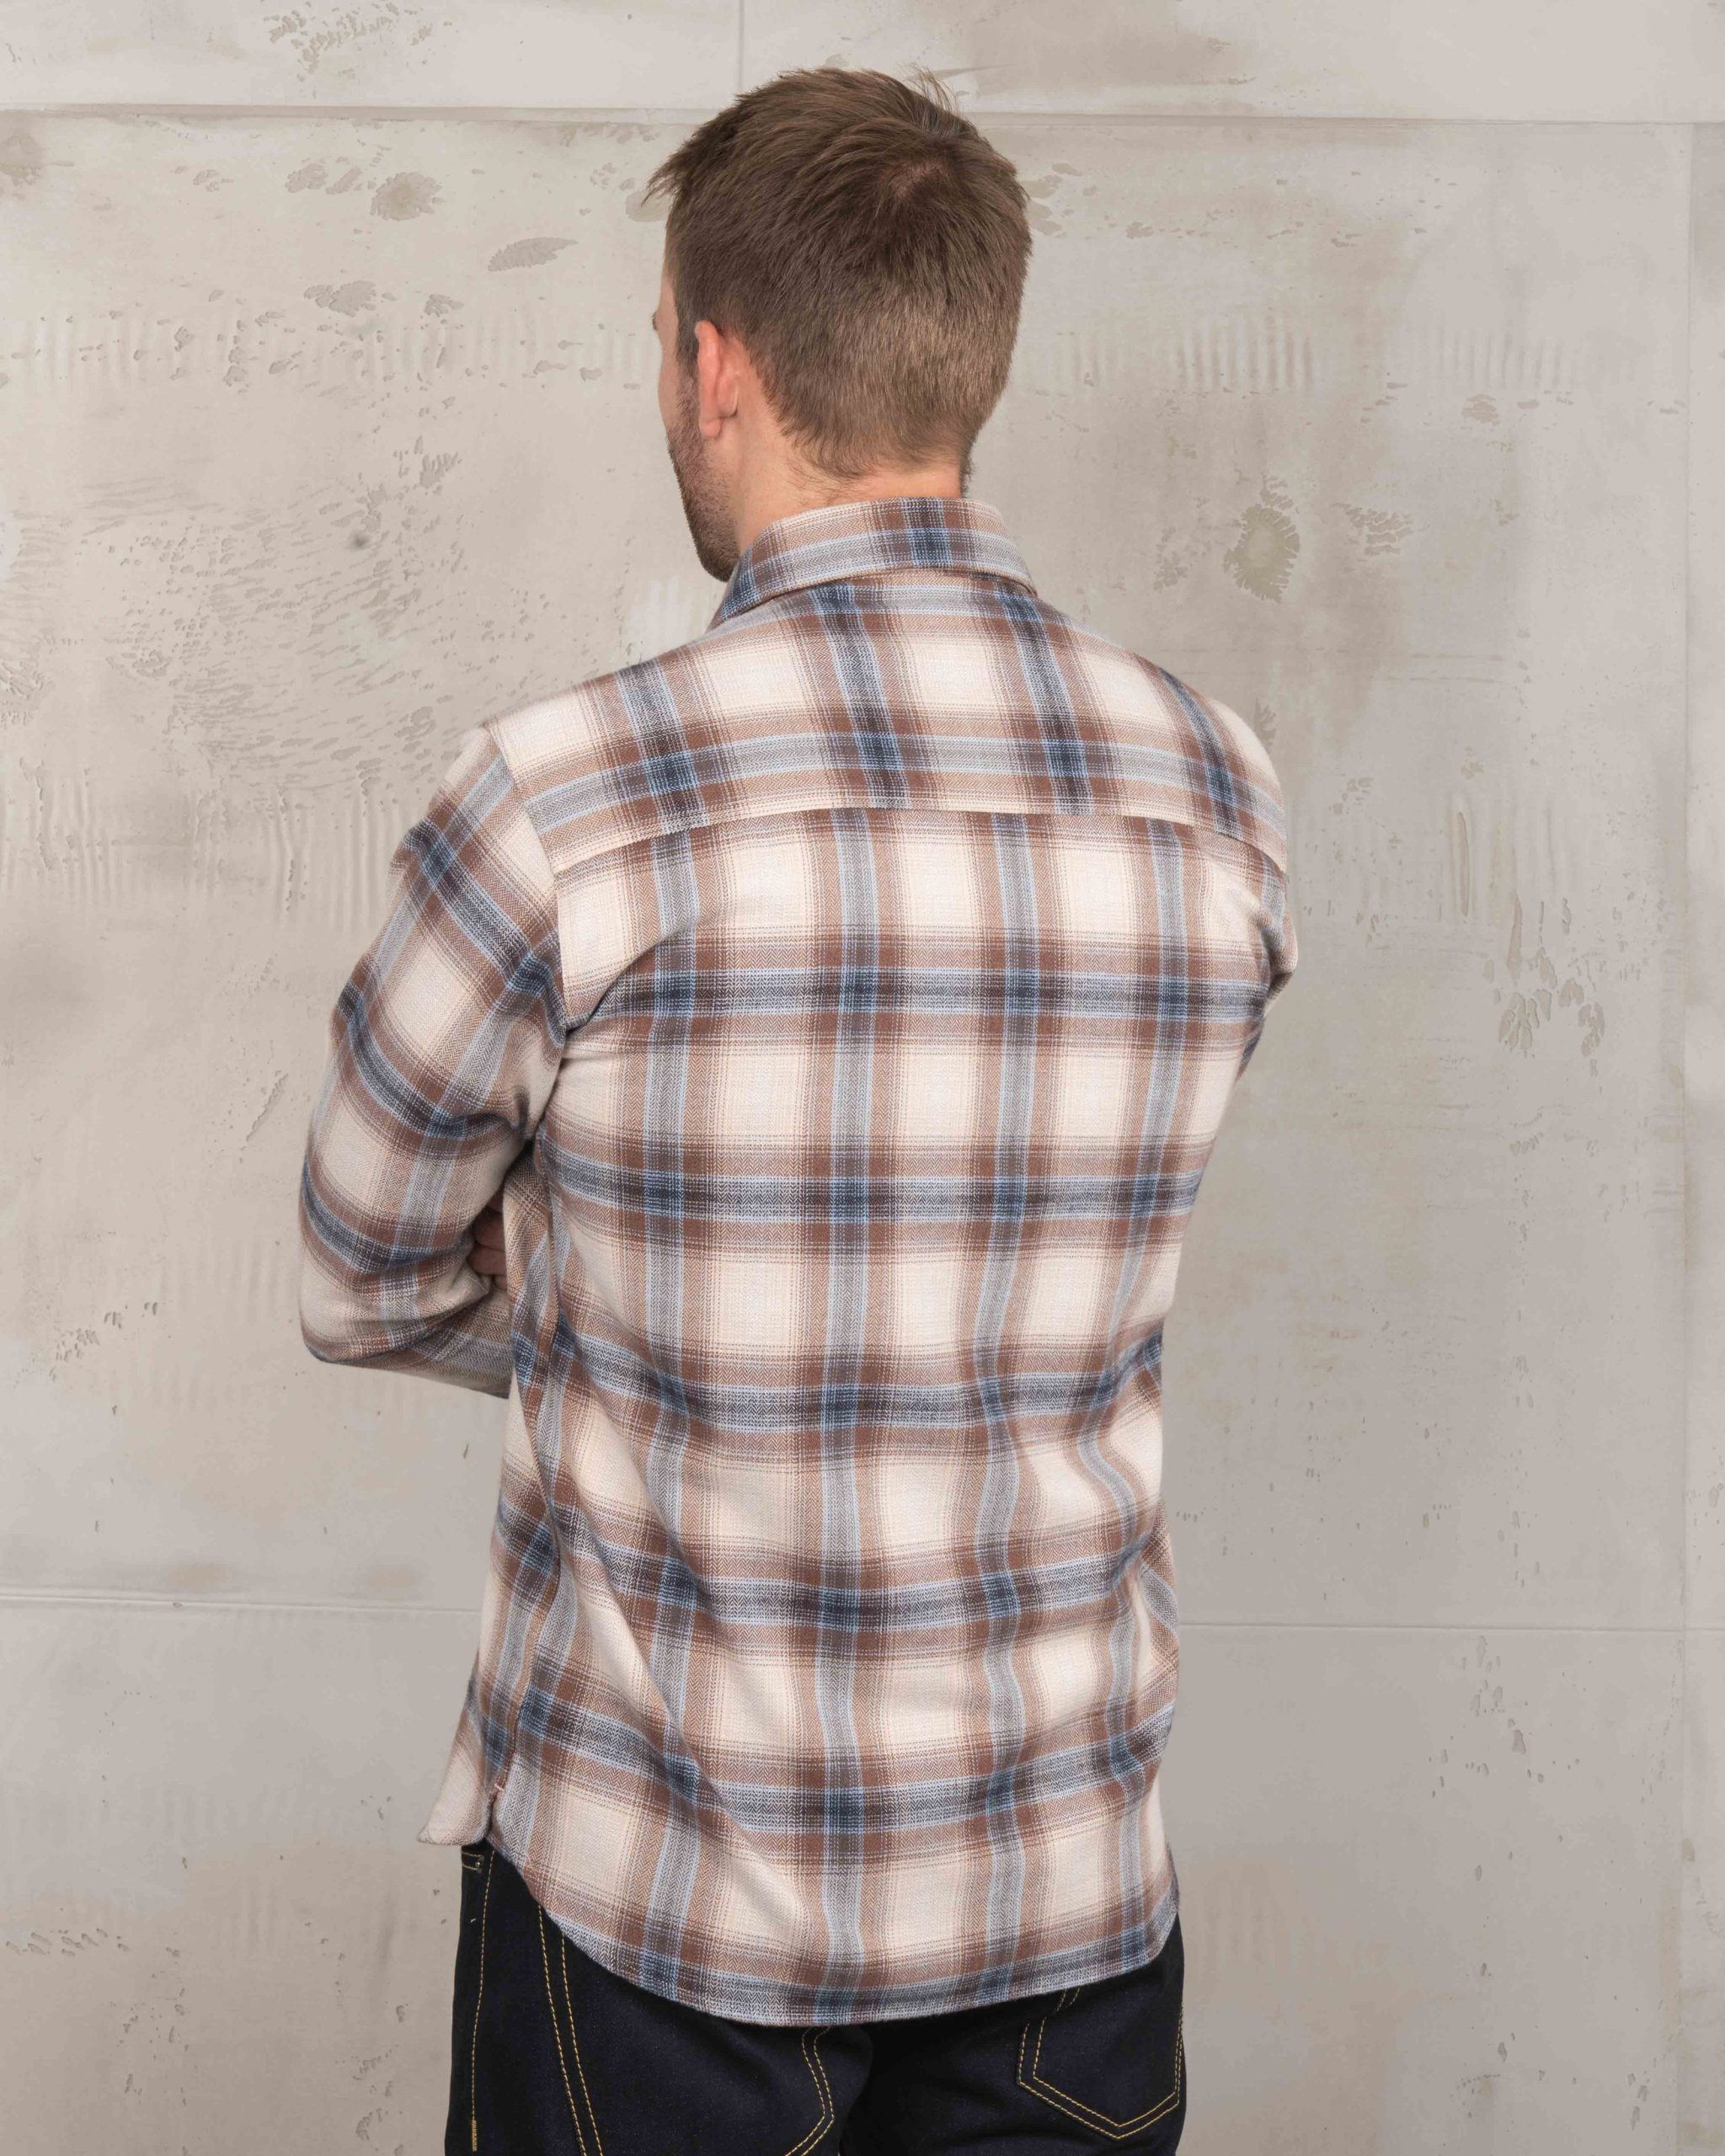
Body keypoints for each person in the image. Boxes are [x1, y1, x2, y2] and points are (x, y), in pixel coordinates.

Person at [296, 61, 1296, 2156]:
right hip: (1064, 1907)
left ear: (714, 364)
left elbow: (363, 1272)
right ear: (967, 364)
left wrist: (647, 1306)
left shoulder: (560, 800)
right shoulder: (1210, 787)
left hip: (663, 1919)